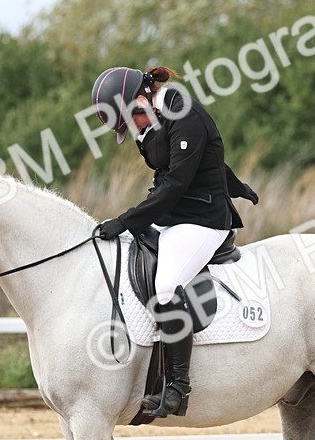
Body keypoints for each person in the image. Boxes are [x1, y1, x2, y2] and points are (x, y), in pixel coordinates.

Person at [91, 65, 259, 418]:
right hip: (174, 217)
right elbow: (172, 168)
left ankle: (178, 387)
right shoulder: (150, 118)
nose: (134, 131)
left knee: (166, 286)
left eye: (131, 120)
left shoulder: (184, 112)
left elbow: (178, 181)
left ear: (140, 100)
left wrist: (126, 220)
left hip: (202, 220)